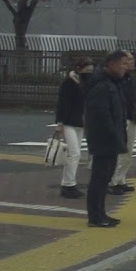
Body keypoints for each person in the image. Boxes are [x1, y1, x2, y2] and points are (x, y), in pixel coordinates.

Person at [83, 49, 134, 228]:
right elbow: (100, 116)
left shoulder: (113, 83)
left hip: (110, 139)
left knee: (105, 178)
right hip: (103, 140)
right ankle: (95, 216)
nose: (125, 67)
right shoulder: (101, 86)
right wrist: (113, 135)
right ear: (111, 64)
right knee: (100, 178)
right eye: (122, 64)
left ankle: (100, 213)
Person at [53, 57, 93, 199]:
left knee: (74, 153)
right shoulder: (69, 82)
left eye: (90, 71)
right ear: (79, 69)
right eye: (87, 70)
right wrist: (59, 123)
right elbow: (62, 103)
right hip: (69, 121)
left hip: (80, 122)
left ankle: (68, 184)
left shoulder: (86, 83)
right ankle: (69, 184)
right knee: (74, 153)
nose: (89, 73)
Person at [109, 65, 136, 195]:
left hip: (132, 117)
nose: (131, 62)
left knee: (128, 153)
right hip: (123, 118)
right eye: (127, 60)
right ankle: (114, 181)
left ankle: (120, 180)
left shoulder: (129, 79)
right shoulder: (117, 80)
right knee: (121, 152)